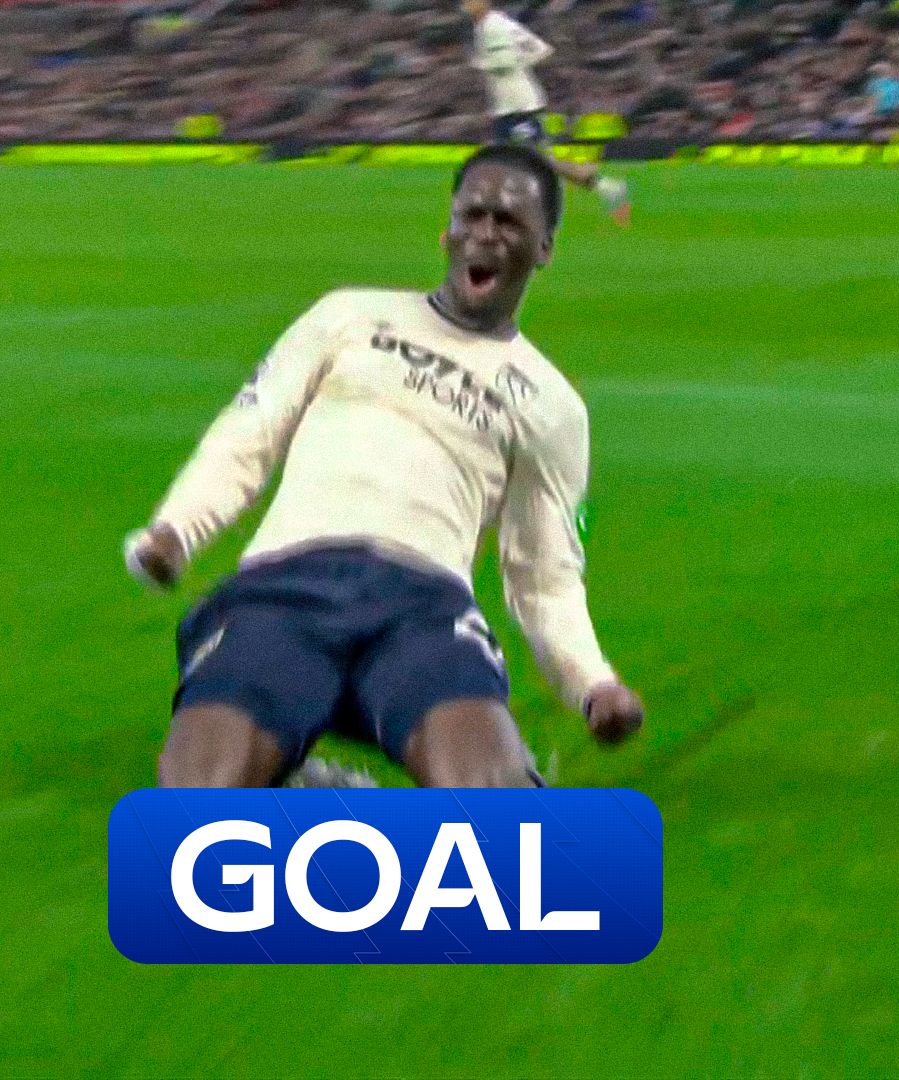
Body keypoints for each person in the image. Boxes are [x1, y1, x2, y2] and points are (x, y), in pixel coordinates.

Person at [125, 144, 645, 789]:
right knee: (191, 808)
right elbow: (250, 433)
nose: (486, 233)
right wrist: (177, 530)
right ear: (447, 229)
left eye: (509, 222)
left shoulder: (552, 406)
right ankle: (311, 795)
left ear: (544, 248)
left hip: (423, 610)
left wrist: (593, 685)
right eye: (473, 214)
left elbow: (544, 578)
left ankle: (334, 795)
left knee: (494, 815)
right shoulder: (348, 315)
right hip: (285, 588)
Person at [462, 0, 631, 226]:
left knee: (534, 161)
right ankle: (604, 187)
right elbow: (541, 49)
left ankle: (606, 187)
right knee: (510, 162)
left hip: (518, 107)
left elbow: (505, 62)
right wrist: (519, 64)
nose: (466, 4)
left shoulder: (493, 27)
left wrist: (479, 63)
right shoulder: (495, 23)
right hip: (511, 107)